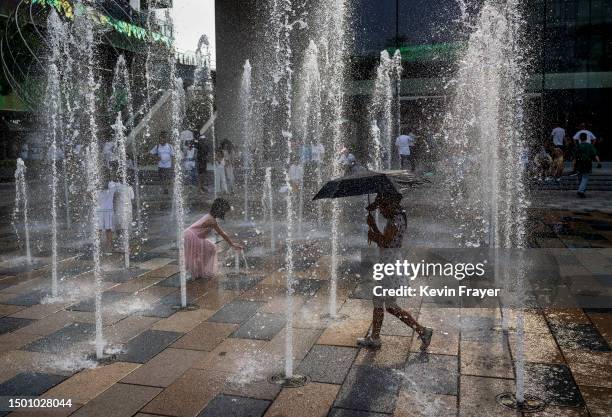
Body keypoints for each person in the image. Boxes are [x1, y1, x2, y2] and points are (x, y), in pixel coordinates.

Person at [357, 193, 433, 350]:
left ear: (391, 204)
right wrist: (373, 224)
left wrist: (373, 230)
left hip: (389, 265)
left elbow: (385, 242)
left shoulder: (395, 221)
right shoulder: (399, 215)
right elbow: (386, 240)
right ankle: (422, 331)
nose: (382, 212)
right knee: (390, 305)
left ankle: (376, 338)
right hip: (391, 262)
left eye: (383, 208)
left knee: (380, 301)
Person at [184, 198, 244, 278]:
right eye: (224, 211)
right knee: (211, 248)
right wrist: (231, 244)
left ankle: (198, 269)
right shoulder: (212, 221)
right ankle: (200, 270)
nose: (224, 214)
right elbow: (221, 233)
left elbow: (203, 227)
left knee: (204, 250)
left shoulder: (210, 217)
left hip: (189, 235)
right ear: (220, 211)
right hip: (192, 236)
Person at [96, 173, 118, 253]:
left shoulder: (96, 183)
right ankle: (109, 246)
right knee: (108, 229)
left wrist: (96, 200)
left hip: (99, 210)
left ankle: (97, 247)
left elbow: (89, 192)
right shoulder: (112, 184)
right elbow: (116, 192)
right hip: (108, 209)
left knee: (98, 229)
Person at [575, 132, 601, 198]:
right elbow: (595, 155)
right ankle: (581, 191)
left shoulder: (578, 146)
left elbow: (574, 157)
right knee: (585, 177)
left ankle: (582, 190)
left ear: (580, 139)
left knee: (580, 177)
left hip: (579, 163)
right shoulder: (590, 146)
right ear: (586, 138)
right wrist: (599, 163)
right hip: (587, 163)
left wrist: (574, 166)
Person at [112, 173, 135, 241]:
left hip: (119, 207)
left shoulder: (117, 188)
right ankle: (126, 238)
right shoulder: (129, 187)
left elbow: (114, 197)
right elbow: (132, 198)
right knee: (126, 222)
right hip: (127, 208)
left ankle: (120, 237)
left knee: (119, 223)